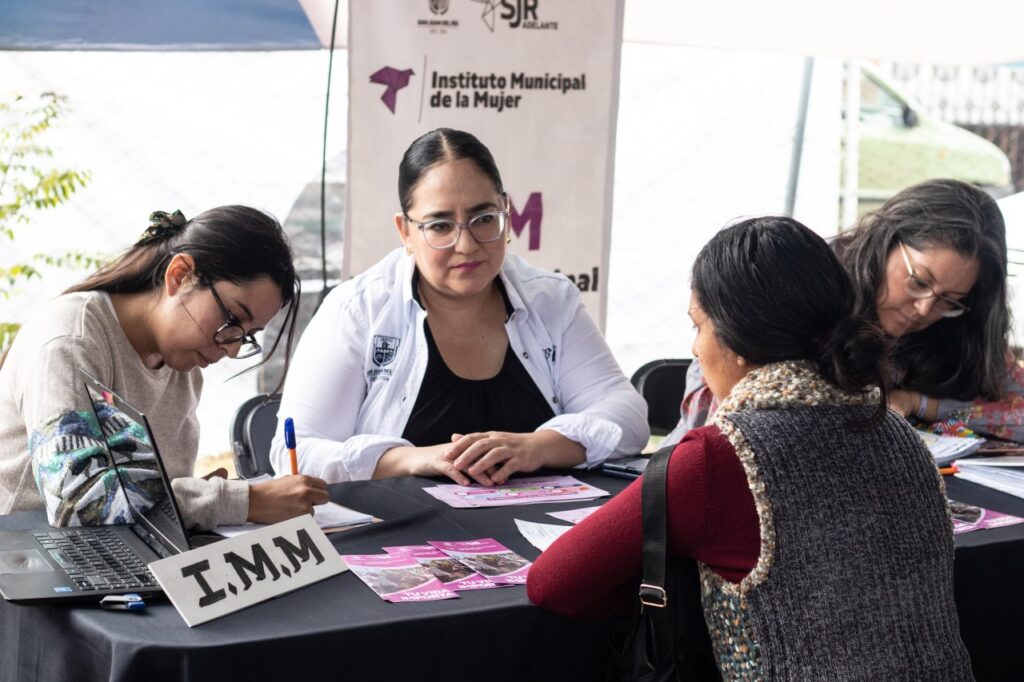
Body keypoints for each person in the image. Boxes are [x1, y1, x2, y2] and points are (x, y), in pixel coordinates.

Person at [528, 216, 972, 680]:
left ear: (736, 342)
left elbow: (552, 584)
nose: (696, 348)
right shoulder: (897, 433)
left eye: (697, 325)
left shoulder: (717, 458)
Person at [270, 128, 648, 486]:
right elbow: (296, 452)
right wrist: (414, 459)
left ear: (507, 213)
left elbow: (627, 417)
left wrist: (535, 447)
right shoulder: (357, 310)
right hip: (397, 542)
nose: (466, 245)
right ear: (405, 232)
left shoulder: (550, 299)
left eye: (484, 219)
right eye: (440, 226)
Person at [0, 206, 330, 530]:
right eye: (232, 319)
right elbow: (80, 502)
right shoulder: (71, 339)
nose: (230, 348)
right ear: (180, 275)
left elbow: (153, 491)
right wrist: (242, 500)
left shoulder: (182, 367)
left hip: (113, 558)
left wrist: (198, 496)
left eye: (247, 336)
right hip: (23, 563)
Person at [665, 178, 1017, 444]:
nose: (925, 308)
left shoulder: (966, 325)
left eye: (949, 300)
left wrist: (919, 402)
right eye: (919, 281)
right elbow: (716, 415)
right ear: (886, 241)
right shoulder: (800, 285)